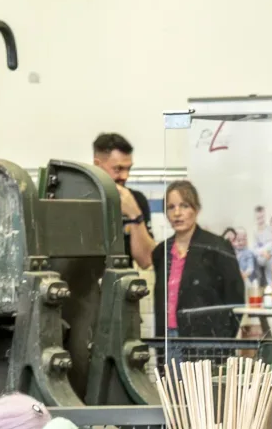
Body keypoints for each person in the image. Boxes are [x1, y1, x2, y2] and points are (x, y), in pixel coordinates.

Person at [151, 181, 246, 339]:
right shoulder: (161, 251)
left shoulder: (217, 247)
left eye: (184, 206)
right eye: (171, 207)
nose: (177, 213)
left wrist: (223, 340)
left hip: (206, 341)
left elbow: (235, 298)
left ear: (196, 209)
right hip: (167, 339)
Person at [94, 131, 154, 270]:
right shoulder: (77, 200)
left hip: (123, 286)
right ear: (97, 165)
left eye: (128, 169)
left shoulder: (136, 199)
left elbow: (145, 260)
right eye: (118, 169)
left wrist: (134, 214)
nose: (125, 176)